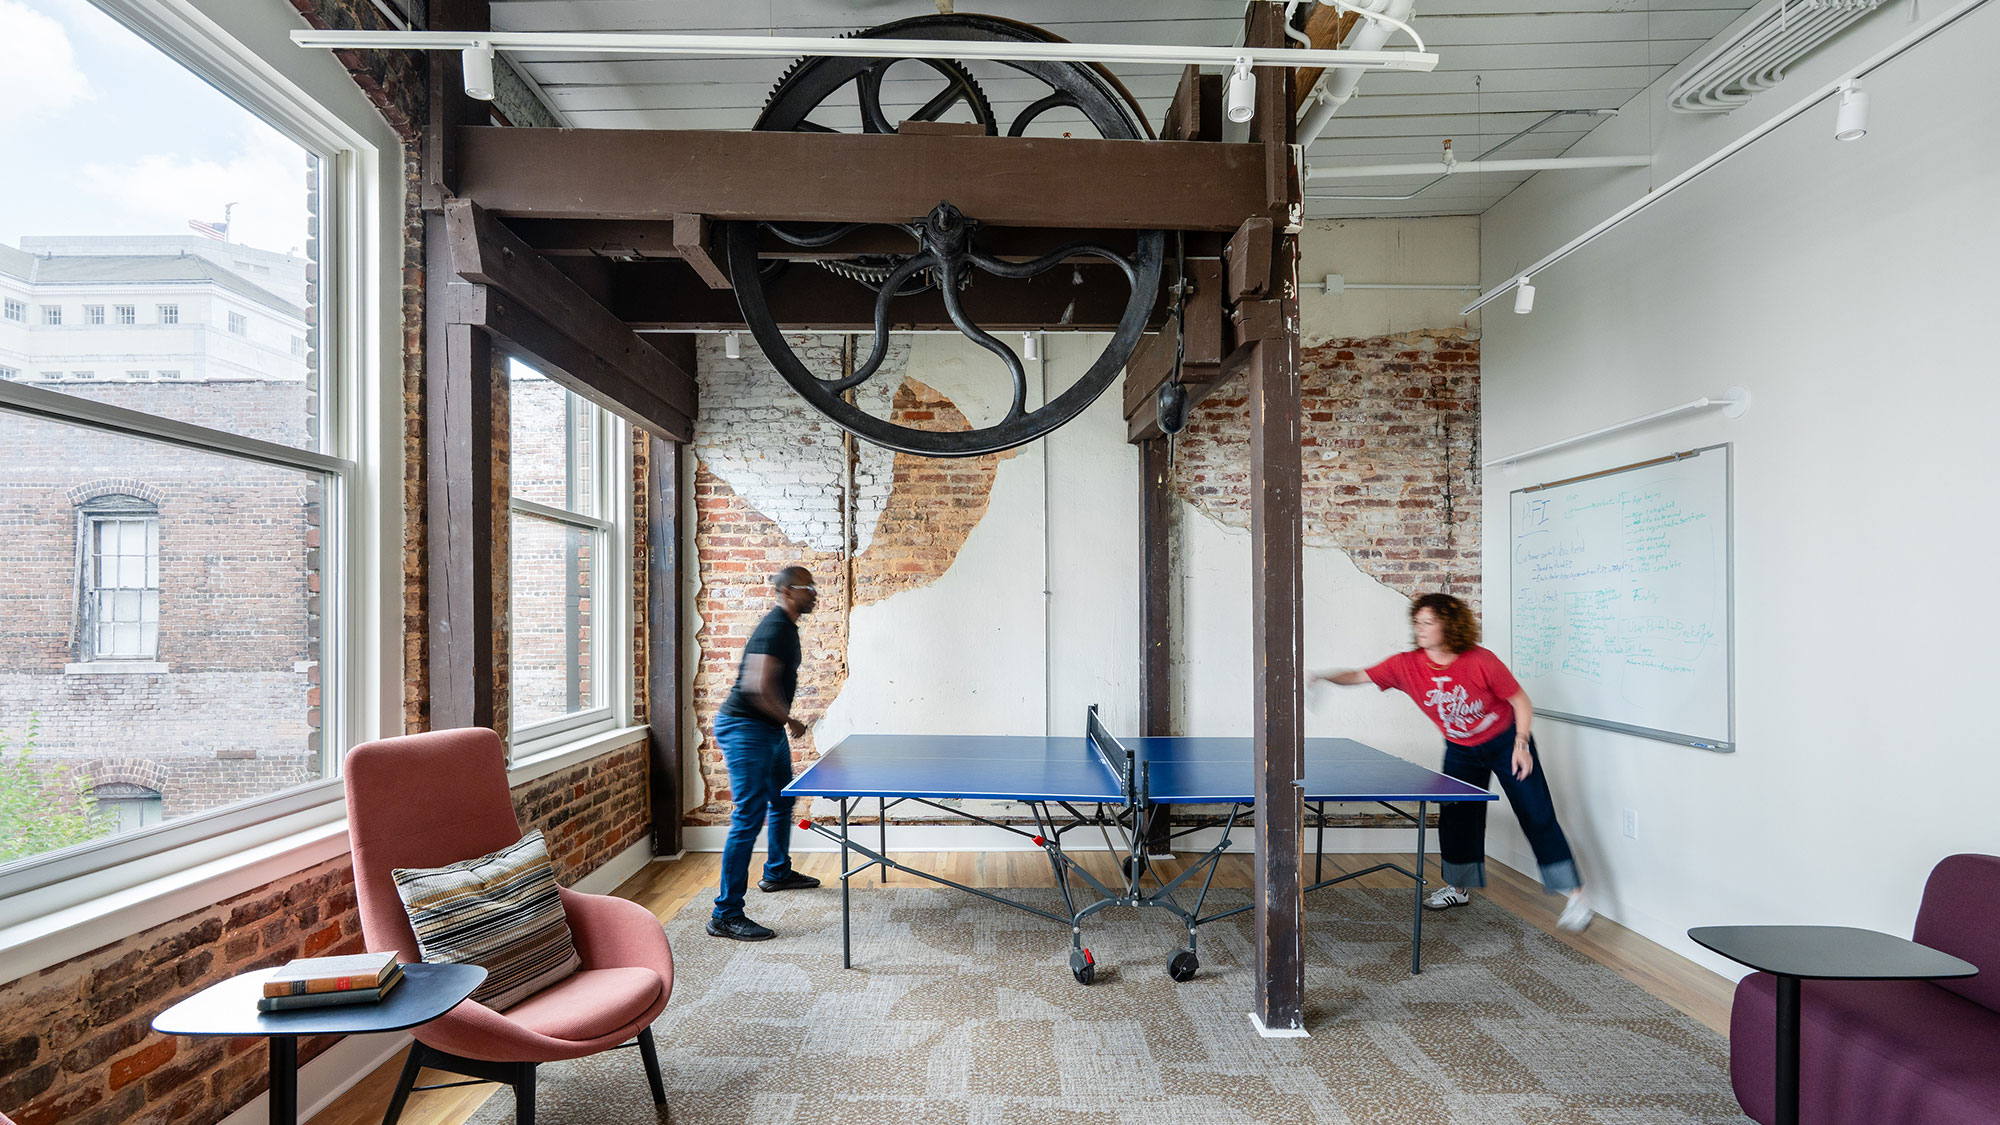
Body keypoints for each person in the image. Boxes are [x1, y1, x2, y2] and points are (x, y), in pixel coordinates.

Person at [1314, 593, 1593, 933]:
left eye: (1427, 622)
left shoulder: (1480, 660)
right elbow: (1358, 676)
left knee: (1536, 813)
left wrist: (1522, 744)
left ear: (1449, 624)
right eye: (1417, 622)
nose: (1419, 628)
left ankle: (1575, 896)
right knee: (1457, 816)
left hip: (1506, 741)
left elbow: (1520, 701)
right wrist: (1321, 676)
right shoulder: (1405, 665)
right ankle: (1459, 889)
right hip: (1461, 748)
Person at [708, 565, 823, 941]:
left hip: (765, 731)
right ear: (788, 591)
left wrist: (782, 724)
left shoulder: (787, 628)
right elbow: (756, 687)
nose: (815, 593)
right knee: (748, 817)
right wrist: (791, 721)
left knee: (782, 800)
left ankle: (776, 871)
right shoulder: (775, 628)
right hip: (746, 730)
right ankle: (725, 914)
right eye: (808, 587)